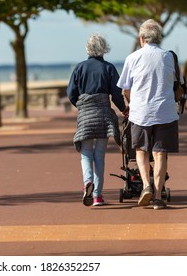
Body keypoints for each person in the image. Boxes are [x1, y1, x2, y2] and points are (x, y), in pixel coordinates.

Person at [117, 19, 179, 210]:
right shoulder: (169, 57)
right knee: (160, 154)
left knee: (141, 151)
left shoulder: (132, 58)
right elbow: (177, 85)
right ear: (158, 38)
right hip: (165, 112)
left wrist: (131, 102)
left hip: (140, 113)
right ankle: (158, 197)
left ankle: (145, 186)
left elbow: (125, 89)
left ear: (141, 38)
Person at [67, 33, 128, 207]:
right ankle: (97, 196)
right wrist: (124, 109)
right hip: (103, 115)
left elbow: (71, 93)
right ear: (104, 48)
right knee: (99, 155)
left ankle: (87, 181)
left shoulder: (80, 68)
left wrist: (81, 105)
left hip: (85, 116)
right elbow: (117, 94)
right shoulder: (109, 68)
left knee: (85, 153)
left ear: (88, 48)